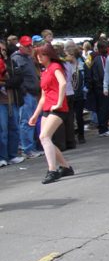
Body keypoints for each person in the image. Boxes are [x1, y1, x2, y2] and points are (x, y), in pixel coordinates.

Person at [29, 43, 74, 184]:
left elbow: (63, 83)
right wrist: (35, 114)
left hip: (58, 109)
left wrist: (60, 102)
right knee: (45, 139)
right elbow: (43, 96)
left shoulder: (55, 67)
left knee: (44, 136)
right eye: (37, 55)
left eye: (42, 54)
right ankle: (65, 167)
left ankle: (52, 170)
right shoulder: (44, 71)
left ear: (49, 54)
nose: (39, 57)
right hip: (47, 108)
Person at [11, 36, 43, 158]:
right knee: (26, 121)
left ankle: (31, 147)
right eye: (27, 46)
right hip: (27, 95)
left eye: (31, 45)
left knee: (32, 121)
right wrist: (25, 92)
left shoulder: (28, 58)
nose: (30, 48)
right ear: (20, 47)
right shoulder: (17, 59)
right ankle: (27, 149)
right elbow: (18, 77)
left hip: (33, 94)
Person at [0, 40, 25, 167]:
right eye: (1, 50)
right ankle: (2, 157)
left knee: (14, 128)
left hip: (13, 100)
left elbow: (18, 79)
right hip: (1, 102)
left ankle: (12, 155)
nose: (2, 52)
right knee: (2, 130)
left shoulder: (11, 62)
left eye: (4, 50)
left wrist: (5, 83)